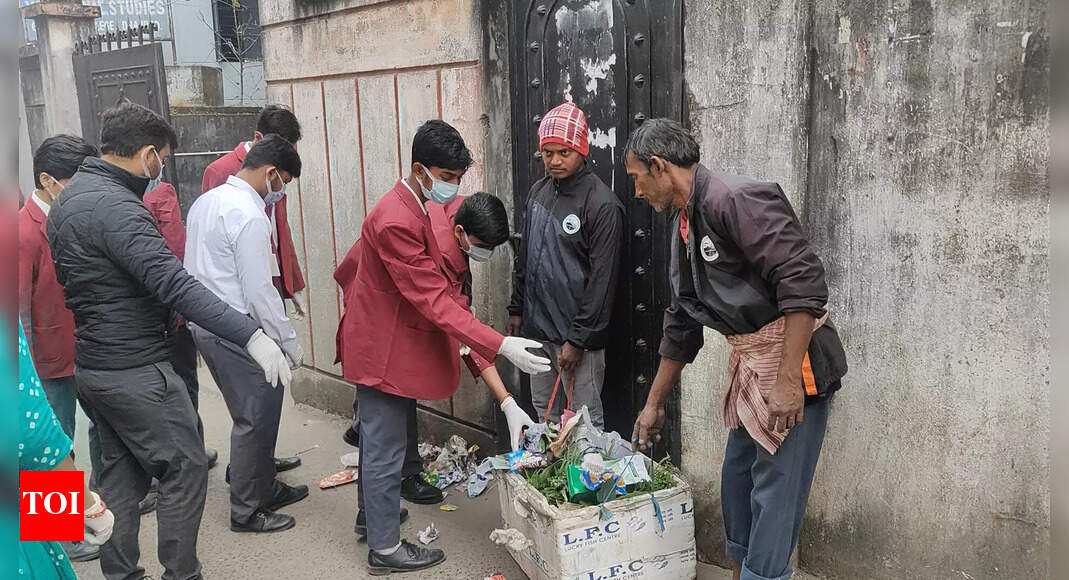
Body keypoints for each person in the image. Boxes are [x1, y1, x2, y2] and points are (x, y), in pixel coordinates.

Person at [47, 101, 292, 580]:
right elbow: (174, 285)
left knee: (119, 474)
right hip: (129, 367)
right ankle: (181, 573)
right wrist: (251, 335)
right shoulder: (117, 208)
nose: (160, 169)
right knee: (185, 465)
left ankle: (120, 572)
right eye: (160, 158)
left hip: (92, 364)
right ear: (146, 156)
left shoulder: (67, 203)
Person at [624, 118, 848, 580]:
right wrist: (654, 403)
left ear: (659, 166)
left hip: (795, 364)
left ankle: (763, 574)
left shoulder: (735, 199)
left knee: (775, 491)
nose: (637, 191)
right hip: (753, 365)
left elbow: (804, 283)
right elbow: (682, 321)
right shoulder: (685, 225)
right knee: (738, 479)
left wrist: (787, 382)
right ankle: (740, 569)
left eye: (636, 178)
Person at [335, 120, 549, 575]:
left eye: (457, 177)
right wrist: (502, 343)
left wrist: (506, 399)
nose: (452, 186)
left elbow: (450, 310)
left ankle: (372, 518)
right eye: (446, 177)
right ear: (420, 170)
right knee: (385, 447)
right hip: (381, 345)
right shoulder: (397, 220)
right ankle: (385, 549)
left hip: (388, 334)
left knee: (380, 441)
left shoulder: (428, 208)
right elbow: (438, 304)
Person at [337, 192, 533, 514]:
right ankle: (375, 516)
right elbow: (461, 328)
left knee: (392, 408)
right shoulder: (437, 254)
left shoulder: (460, 210)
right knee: (385, 421)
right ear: (460, 232)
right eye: (482, 246)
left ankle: (389, 472)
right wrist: (505, 392)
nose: (484, 253)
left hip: (391, 309)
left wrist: (508, 402)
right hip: (378, 319)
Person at [185, 135, 309, 534]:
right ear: (271, 172)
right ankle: (247, 509)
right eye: (283, 181)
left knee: (255, 409)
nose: (281, 191)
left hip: (206, 321)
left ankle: (263, 486)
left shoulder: (207, 201)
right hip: (236, 327)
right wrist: (288, 342)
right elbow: (259, 291)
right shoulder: (251, 215)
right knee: (255, 415)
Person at [201, 104, 305, 476]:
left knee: (262, 396)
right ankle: (251, 485)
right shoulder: (228, 184)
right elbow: (247, 277)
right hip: (238, 302)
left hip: (258, 283)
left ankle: (258, 467)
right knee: (253, 399)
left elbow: (279, 233)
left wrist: (291, 284)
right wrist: (285, 340)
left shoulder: (268, 179)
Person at [507, 102, 624, 429]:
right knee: (544, 415)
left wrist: (578, 340)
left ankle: (587, 465)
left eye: (564, 152)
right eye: (548, 153)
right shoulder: (538, 193)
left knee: (583, 422)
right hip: (537, 333)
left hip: (576, 340)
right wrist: (516, 309)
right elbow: (525, 258)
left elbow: (602, 283)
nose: (555, 161)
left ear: (581, 150)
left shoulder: (601, 204)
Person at [18, 134, 103, 563]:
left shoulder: (69, 216)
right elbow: (17, 312)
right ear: (47, 180)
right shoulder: (22, 232)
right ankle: (60, 537)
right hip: (46, 363)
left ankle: (94, 506)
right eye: (74, 181)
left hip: (82, 348)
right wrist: (26, 378)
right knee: (54, 444)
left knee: (98, 428)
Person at [17, 321, 115, 579]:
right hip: (51, 355)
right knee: (52, 438)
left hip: (59, 353)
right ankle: (66, 535)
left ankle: (64, 533)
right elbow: (33, 440)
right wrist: (88, 507)